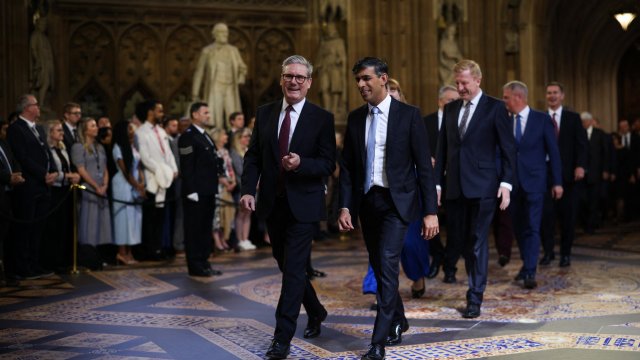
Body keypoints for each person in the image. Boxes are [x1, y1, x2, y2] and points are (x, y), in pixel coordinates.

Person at [338, 57, 438, 360]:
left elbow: (423, 165)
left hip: (398, 203)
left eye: (366, 78)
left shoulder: (408, 115)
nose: (361, 85)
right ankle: (399, 319)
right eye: (357, 80)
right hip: (368, 203)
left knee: (388, 262)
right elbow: (348, 169)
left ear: (384, 79)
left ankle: (377, 342)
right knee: (381, 266)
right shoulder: (355, 118)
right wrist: (345, 207)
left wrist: (430, 211)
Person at [240, 55, 336, 360]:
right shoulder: (265, 113)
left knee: (293, 270)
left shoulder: (322, 118)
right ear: (281, 79)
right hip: (272, 204)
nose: (294, 81)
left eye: (300, 77)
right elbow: (253, 156)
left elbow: (328, 163)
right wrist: (246, 189)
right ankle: (317, 310)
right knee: (287, 266)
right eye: (288, 76)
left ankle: (281, 339)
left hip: (304, 205)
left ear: (309, 82)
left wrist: (301, 163)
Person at [433, 60, 515, 318]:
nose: (460, 88)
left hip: (484, 187)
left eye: (464, 83)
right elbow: (442, 150)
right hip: (455, 187)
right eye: (457, 83)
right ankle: (472, 286)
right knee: (463, 242)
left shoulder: (496, 108)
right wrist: (436, 184)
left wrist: (505, 184)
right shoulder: (450, 109)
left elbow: (508, 149)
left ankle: (474, 297)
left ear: (477, 80)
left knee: (478, 241)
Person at [502, 81, 562, 289]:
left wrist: (557, 182)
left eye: (506, 97)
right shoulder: (504, 121)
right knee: (518, 228)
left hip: (536, 183)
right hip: (512, 184)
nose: (504, 101)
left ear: (518, 97)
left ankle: (530, 271)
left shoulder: (542, 119)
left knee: (533, 227)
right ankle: (527, 263)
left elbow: (553, 153)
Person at [6, 94, 57, 280]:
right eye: (36, 104)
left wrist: (53, 171)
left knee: (38, 229)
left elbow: (46, 152)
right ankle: (22, 265)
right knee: (25, 228)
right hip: (29, 187)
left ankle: (35, 263)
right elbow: (23, 157)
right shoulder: (16, 129)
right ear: (27, 108)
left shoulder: (39, 129)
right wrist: (43, 174)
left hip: (44, 186)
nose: (39, 107)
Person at [540, 82, 588, 267]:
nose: (551, 96)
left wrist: (581, 166)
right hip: (545, 178)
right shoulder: (540, 117)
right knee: (546, 218)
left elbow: (582, 145)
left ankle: (565, 254)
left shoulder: (573, 118)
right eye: (548, 93)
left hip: (569, 177)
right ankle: (548, 252)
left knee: (568, 219)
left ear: (562, 96)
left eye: (555, 93)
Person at [179, 102, 224, 277]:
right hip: (196, 191)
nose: (208, 115)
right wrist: (191, 190)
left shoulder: (205, 135)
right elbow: (187, 166)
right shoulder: (188, 136)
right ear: (195, 115)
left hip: (208, 189)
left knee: (205, 228)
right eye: (205, 112)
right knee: (194, 229)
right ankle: (195, 265)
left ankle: (204, 262)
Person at [423, 85, 459, 279]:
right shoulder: (425, 122)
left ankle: (450, 266)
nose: (454, 105)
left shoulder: (460, 122)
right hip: (430, 181)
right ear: (440, 101)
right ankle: (437, 255)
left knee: (455, 225)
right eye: (449, 101)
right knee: (429, 220)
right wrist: (427, 159)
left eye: (456, 101)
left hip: (454, 181)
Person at [135, 100, 178, 260]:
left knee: (161, 216)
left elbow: (168, 153)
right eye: (159, 110)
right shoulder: (141, 132)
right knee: (151, 217)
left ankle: (158, 248)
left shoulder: (160, 131)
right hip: (153, 179)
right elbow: (145, 158)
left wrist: (173, 169)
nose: (162, 113)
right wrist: (163, 171)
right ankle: (149, 250)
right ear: (150, 112)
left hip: (165, 178)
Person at [192, 23, 247, 129]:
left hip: (230, 87)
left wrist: (241, 77)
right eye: (222, 32)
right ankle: (216, 136)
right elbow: (199, 72)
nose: (225, 34)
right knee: (215, 117)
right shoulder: (207, 51)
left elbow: (242, 67)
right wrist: (195, 93)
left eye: (226, 32)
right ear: (215, 34)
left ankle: (233, 137)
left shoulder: (233, 50)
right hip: (215, 86)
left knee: (232, 116)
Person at [43, 120, 80, 272]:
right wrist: (67, 175)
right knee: (54, 227)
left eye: (62, 130)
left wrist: (72, 175)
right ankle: (52, 261)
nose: (62, 133)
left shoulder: (63, 148)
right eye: (58, 130)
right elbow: (51, 174)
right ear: (50, 133)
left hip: (67, 191)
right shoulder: (48, 150)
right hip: (55, 192)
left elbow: (67, 168)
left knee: (66, 226)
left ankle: (65, 260)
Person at [71, 117, 112, 248]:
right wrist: (95, 186)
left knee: (102, 222)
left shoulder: (99, 147)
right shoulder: (78, 147)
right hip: (89, 188)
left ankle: (99, 251)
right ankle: (88, 250)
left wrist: (104, 185)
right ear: (85, 130)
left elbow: (105, 168)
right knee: (90, 221)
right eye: (93, 126)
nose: (97, 128)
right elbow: (81, 170)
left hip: (101, 188)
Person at [111, 121, 144, 265]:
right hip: (123, 185)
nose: (132, 131)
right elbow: (124, 171)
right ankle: (121, 252)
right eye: (129, 129)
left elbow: (139, 166)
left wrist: (142, 182)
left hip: (135, 183)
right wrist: (137, 186)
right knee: (123, 219)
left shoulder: (133, 146)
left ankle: (130, 252)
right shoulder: (118, 147)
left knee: (134, 219)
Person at [579, 111, 610, 234]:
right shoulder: (579, 133)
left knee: (594, 200)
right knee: (583, 200)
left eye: (584, 121)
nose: (582, 124)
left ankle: (591, 225)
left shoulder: (600, 134)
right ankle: (585, 223)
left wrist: (606, 170)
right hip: (581, 174)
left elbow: (605, 153)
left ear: (589, 121)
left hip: (595, 173)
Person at [0, 133, 24, 286]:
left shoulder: (3, 142)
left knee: (7, 233)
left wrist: (17, 174)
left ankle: (8, 271)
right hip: (2, 190)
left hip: (9, 195)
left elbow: (14, 161)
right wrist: (8, 177)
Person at [211, 128, 236, 251]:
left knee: (227, 213)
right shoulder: (213, 151)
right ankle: (217, 240)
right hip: (217, 187)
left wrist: (233, 181)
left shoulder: (225, 151)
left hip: (228, 187)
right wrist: (223, 181)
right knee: (217, 215)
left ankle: (224, 239)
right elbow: (213, 170)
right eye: (224, 135)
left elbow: (230, 168)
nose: (226, 136)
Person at [230, 128, 255, 251]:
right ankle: (239, 240)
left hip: (253, 187)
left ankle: (246, 238)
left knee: (248, 214)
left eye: (248, 137)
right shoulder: (235, 152)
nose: (247, 139)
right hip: (242, 188)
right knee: (241, 214)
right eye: (244, 137)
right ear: (238, 139)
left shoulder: (249, 150)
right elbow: (240, 170)